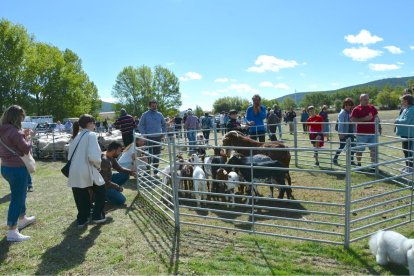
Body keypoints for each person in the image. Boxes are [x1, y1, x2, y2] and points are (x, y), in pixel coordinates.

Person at [0, 105, 35, 242]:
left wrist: (23, 137)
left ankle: (22, 218)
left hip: (6, 167)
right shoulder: (14, 131)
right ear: (17, 117)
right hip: (17, 168)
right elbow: (26, 148)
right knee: (17, 197)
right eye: (21, 117)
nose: (22, 119)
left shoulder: (2, 130)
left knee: (19, 194)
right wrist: (29, 138)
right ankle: (12, 230)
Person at [67, 114, 107, 228]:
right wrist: (98, 165)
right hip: (87, 168)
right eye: (94, 123)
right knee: (101, 190)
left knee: (80, 195)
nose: (95, 126)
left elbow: (69, 156)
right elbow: (94, 156)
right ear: (89, 124)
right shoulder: (91, 135)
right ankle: (97, 216)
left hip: (74, 170)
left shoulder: (76, 136)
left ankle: (82, 220)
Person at [138, 99, 167, 174]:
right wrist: (144, 134)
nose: (154, 107)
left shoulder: (160, 114)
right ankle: (147, 170)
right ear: (149, 106)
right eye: (152, 106)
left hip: (158, 137)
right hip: (148, 138)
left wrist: (163, 133)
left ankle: (155, 170)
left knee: (157, 154)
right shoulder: (145, 114)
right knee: (148, 154)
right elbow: (140, 125)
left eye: (155, 105)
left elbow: (164, 124)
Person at [350, 94, 379, 167]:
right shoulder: (356, 109)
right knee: (359, 150)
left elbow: (377, 118)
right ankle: (359, 164)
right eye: (365, 99)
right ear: (360, 100)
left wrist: (379, 128)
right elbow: (353, 120)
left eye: (368, 99)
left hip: (373, 133)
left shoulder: (372, 107)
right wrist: (364, 119)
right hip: (361, 134)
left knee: (373, 150)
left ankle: (373, 166)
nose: (367, 101)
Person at [333, 98, 356, 165]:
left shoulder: (351, 112)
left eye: (349, 104)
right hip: (344, 132)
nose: (347, 106)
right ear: (344, 105)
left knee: (352, 146)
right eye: (346, 104)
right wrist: (340, 133)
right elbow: (341, 123)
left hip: (350, 132)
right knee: (342, 146)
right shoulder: (342, 113)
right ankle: (335, 158)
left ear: (351, 105)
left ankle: (351, 161)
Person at [395, 94, 414, 173]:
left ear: (406, 101)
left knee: (408, 151)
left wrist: (397, 121)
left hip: (409, 134)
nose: (401, 102)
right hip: (405, 133)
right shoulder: (406, 109)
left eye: (402, 101)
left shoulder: (412, 109)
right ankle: (408, 167)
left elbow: (406, 121)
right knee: (406, 150)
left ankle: (411, 168)